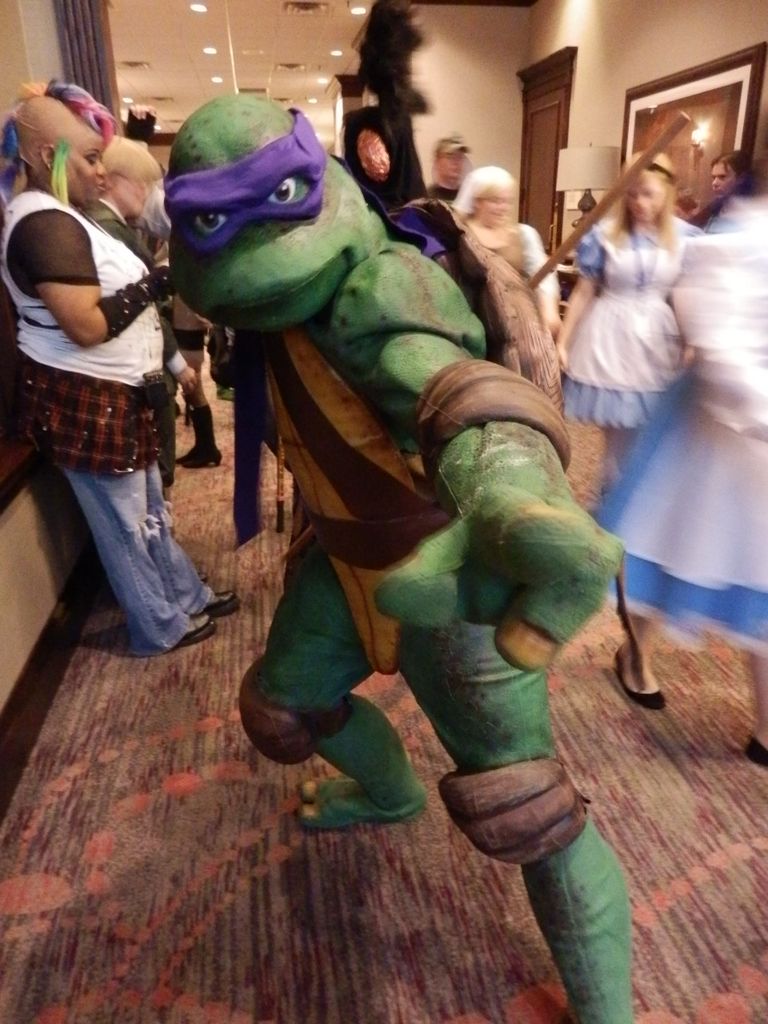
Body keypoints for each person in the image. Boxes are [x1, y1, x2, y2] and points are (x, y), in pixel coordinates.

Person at [0, 80, 238, 655]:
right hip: (84, 399)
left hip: (112, 395)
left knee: (149, 511)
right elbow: (84, 325)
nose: (100, 171)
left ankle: (184, 598)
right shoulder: (42, 223)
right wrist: (155, 283)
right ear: (45, 156)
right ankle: (158, 626)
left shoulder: (61, 216)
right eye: (89, 158)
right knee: (125, 527)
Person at [598, 161, 768, 759]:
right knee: (673, 548)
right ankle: (637, 654)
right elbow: (721, 346)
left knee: (747, 574)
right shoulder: (733, 243)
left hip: (748, 443)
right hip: (718, 436)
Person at [556, 154, 702, 495]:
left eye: (648, 194)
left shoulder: (685, 238)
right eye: (632, 194)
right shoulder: (605, 235)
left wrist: (691, 339)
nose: (639, 203)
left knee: (648, 424)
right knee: (616, 427)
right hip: (610, 334)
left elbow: (682, 293)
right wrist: (563, 341)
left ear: (666, 192)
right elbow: (584, 292)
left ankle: (632, 495)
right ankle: (611, 491)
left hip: (657, 336)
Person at [85, 135, 197, 492]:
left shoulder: (113, 226)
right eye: (142, 183)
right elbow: (142, 309)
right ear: (114, 180)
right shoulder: (110, 231)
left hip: (136, 366)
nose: (147, 192)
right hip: (135, 372)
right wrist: (177, 364)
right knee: (152, 486)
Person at [453, 165, 562, 340]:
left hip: (514, 324)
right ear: (477, 201)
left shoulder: (524, 235)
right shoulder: (459, 234)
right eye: (495, 201)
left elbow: (544, 276)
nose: (502, 207)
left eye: (507, 201)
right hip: (469, 322)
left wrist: (549, 310)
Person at [692, 149, 753, 233]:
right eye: (714, 177)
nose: (714, 183)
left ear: (740, 178)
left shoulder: (751, 214)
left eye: (722, 177)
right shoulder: (715, 206)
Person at [426, 133, 471, 203]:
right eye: (450, 157)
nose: (456, 162)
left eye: (460, 157)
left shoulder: (469, 197)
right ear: (437, 161)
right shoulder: (425, 199)